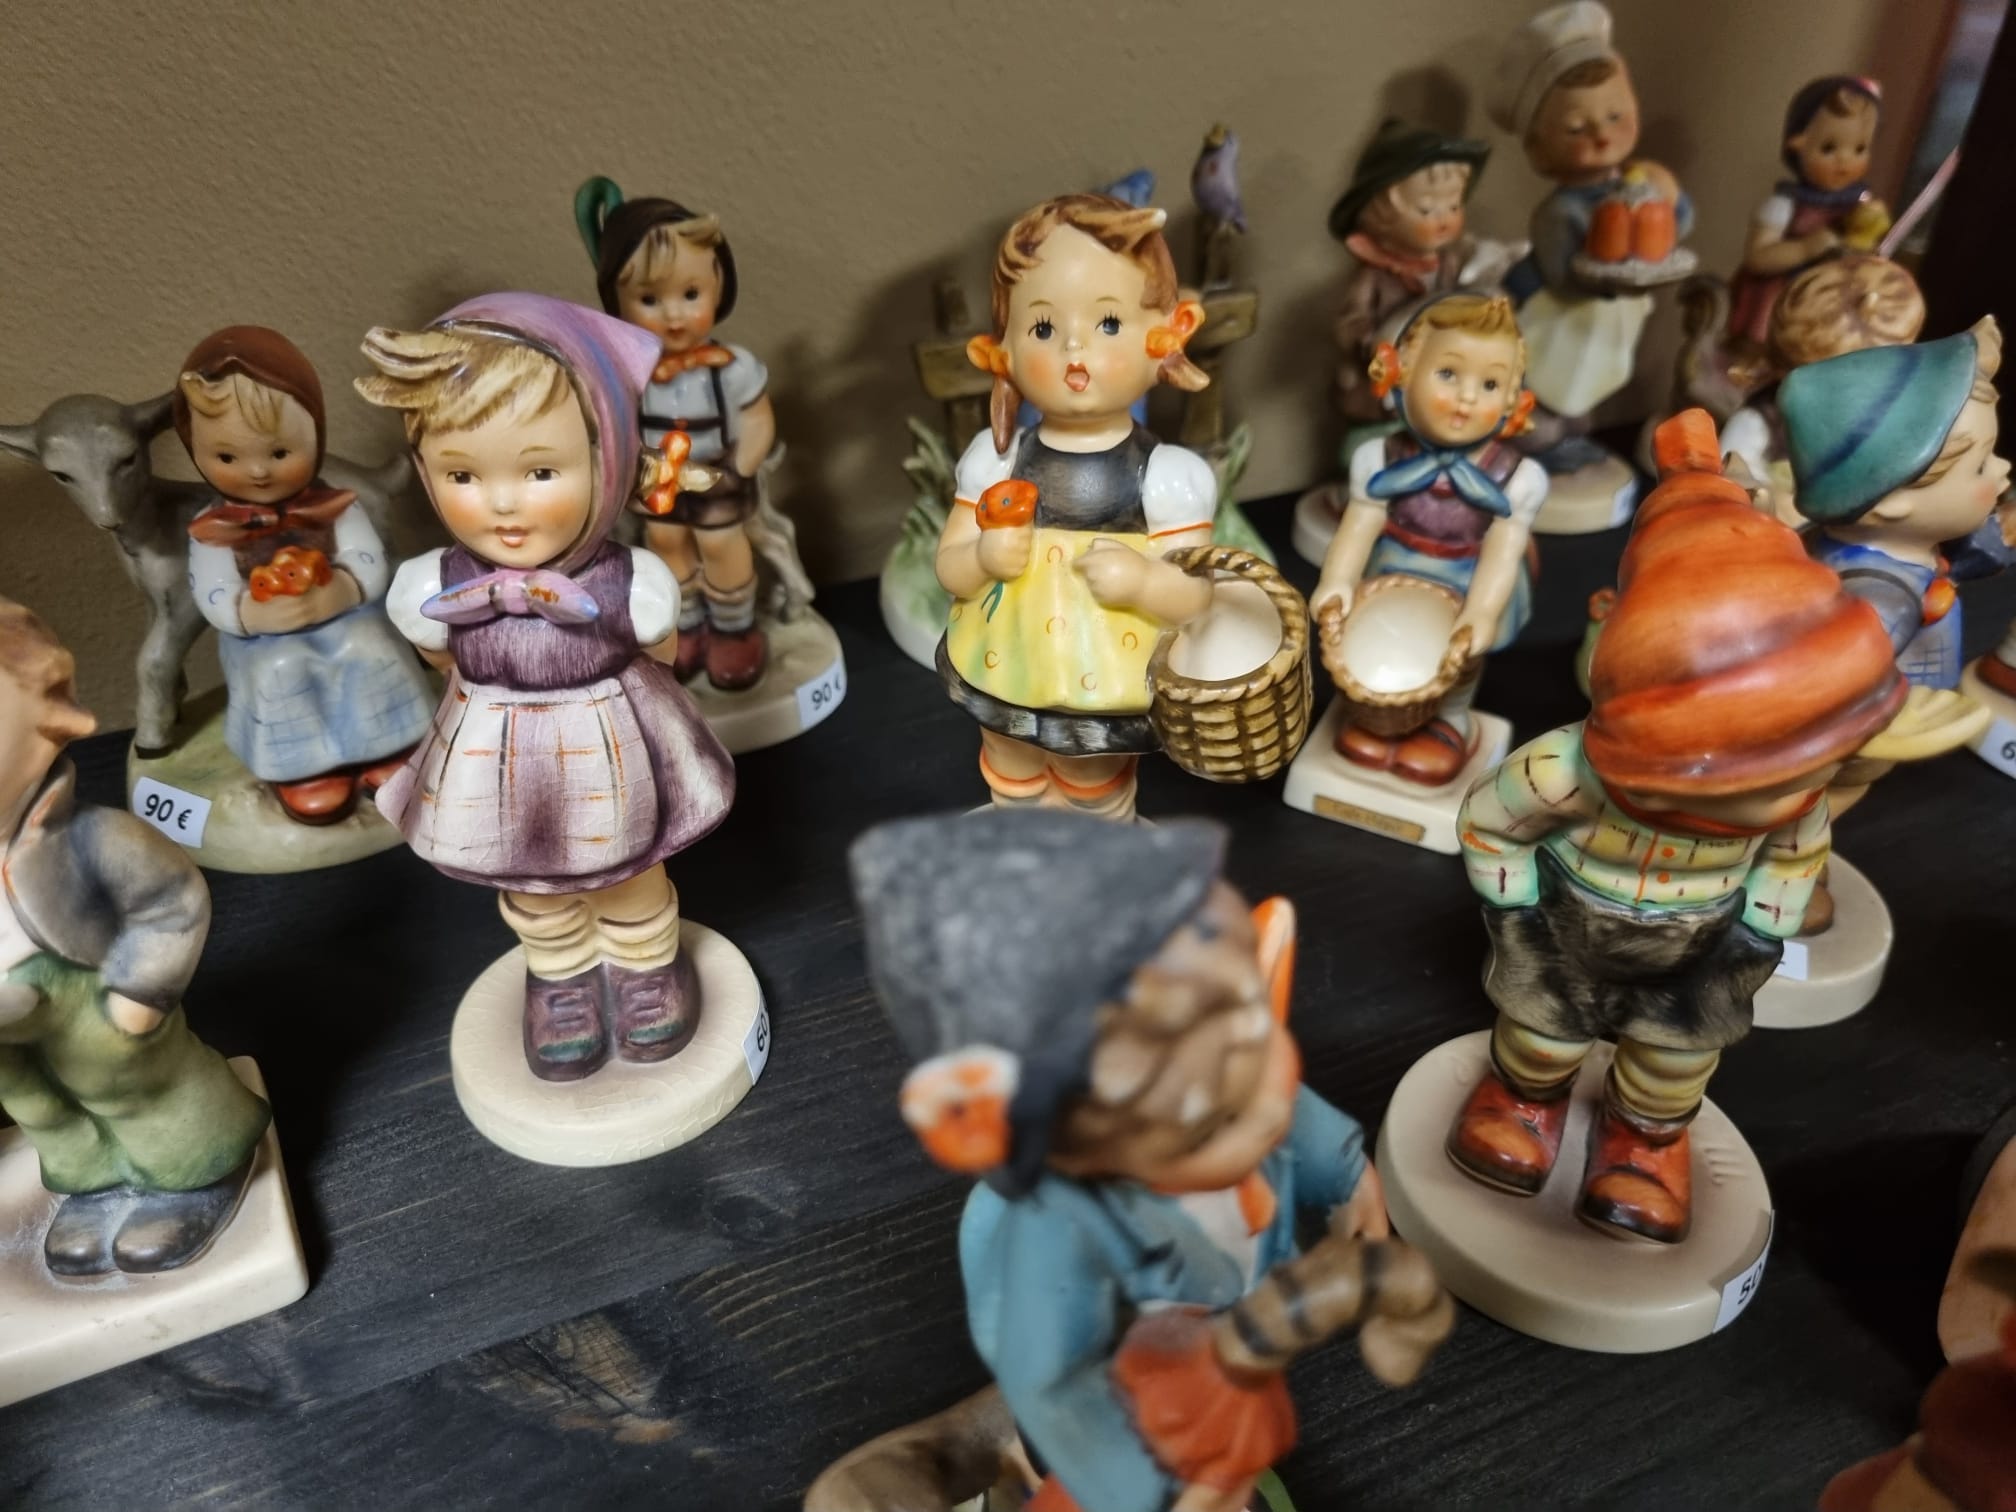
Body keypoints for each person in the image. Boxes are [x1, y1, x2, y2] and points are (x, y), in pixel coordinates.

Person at [808, 810, 1450, 1512]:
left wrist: (1348, 1177)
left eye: (1255, 1043)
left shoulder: (1236, 1085)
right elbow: (1051, 1379)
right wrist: (1136, 1487)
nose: (1265, 1101)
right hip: (1117, 1396)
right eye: (1209, 1117)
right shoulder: (1058, 1230)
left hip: (1234, 1334)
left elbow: (1290, 1111)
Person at [1451, 412, 1904, 1244]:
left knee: (1675, 1059)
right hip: (1568, 922)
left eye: (1807, 768)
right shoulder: (1567, 770)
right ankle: (1521, 1101)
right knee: (1542, 1034)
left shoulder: (1798, 796)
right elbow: (1492, 823)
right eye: (1747, 779)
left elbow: (1795, 857)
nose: (1786, 797)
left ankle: (1644, 1145)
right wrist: (1514, 906)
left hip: (1705, 939)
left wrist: (1761, 925)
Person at [357, 293, 734, 1083]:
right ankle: (561, 979)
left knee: (631, 872)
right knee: (532, 888)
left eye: (539, 471)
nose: (502, 503)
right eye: (463, 473)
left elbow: (662, 656)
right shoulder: (429, 585)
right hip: (495, 757)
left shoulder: (636, 583)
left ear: (607, 462)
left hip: (611, 747)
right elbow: (440, 659)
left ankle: (645, 968)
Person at [0, 596, 269, 1278]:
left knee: (136, 1085)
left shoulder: (92, 838)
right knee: (41, 1105)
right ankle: (93, 1184)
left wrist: (139, 993)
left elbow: (172, 900)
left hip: (87, 992)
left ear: (53, 721)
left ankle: (194, 1171)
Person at [933, 194, 1219, 822]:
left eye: (1109, 323)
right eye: (1043, 329)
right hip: (1003, 659)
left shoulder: (1166, 477)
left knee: (1094, 780)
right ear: (1003, 349)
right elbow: (949, 566)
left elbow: (1196, 596)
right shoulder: (995, 460)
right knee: (1010, 765)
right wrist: (982, 557)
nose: (1074, 350)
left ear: (1167, 335)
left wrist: (1145, 582)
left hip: (1107, 674)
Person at [179, 326, 433, 824]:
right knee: (282, 669)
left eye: (278, 453)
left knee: (370, 646)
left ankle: (390, 744)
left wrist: (342, 588)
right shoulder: (213, 529)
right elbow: (211, 591)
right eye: (228, 457)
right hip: (262, 641)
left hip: (345, 616)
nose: (258, 472)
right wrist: (249, 613)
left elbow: (368, 559)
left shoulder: (333, 506)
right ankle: (304, 769)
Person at [575, 181, 810, 692]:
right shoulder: (630, 372)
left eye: (690, 294)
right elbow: (618, 422)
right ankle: (687, 621)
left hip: (717, 474)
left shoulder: (732, 368)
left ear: (719, 285)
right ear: (617, 300)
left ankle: (734, 628)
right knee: (664, 541)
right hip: (658, 476)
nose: (674, 314)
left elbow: (757, 419)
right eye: (649, 299)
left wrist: (742, 465)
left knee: (721, 543)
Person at [1312, 293, 1547, 785]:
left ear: (1511, 398)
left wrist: (1482, 611)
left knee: (1458, 657)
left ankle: (1449, 722)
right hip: (1394, 564)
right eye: (1448, 374)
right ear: (1403, 373)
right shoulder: (1379, 457)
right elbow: (1359, 524)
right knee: (1381, 635)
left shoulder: (1515, 478)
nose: (1467, 397)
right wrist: (1337, 580)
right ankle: (1380, 713)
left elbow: (1503, 549)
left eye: (1489, 384)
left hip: (1466, 574)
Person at [1487, 2, 1692, 467]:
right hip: (1557, 312)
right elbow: (1563, 277)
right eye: (1577, 127)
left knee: (1591, 381)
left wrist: (1670, 199)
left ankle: (1569, 433)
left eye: (1616, 116)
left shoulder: (1639, 182)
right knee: (1549, 381)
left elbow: (1667, 234)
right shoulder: (1560, 211)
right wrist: (1609, 271)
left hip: (1607, 318)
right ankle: (1535, 442)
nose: (1602, 134)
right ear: (1540, 148)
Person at [1327, 121, 1493, 431]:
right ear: (1382, 215)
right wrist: (1368, 342)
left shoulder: (1449, 263)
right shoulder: (1375, 275)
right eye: (1427, 210)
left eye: (1453, 206)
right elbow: (1351, 321)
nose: (1444, 220)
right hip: (1388, 381)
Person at [1725, 76, 1890, 352]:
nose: (1845, 159)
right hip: (1782, 302)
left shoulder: (1860, 205)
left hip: (1829, 303)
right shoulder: (1784, 204)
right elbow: (1757, 257)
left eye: (1860, 149)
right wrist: (1804, 249)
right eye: (1829, 148)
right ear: (1798, 143)